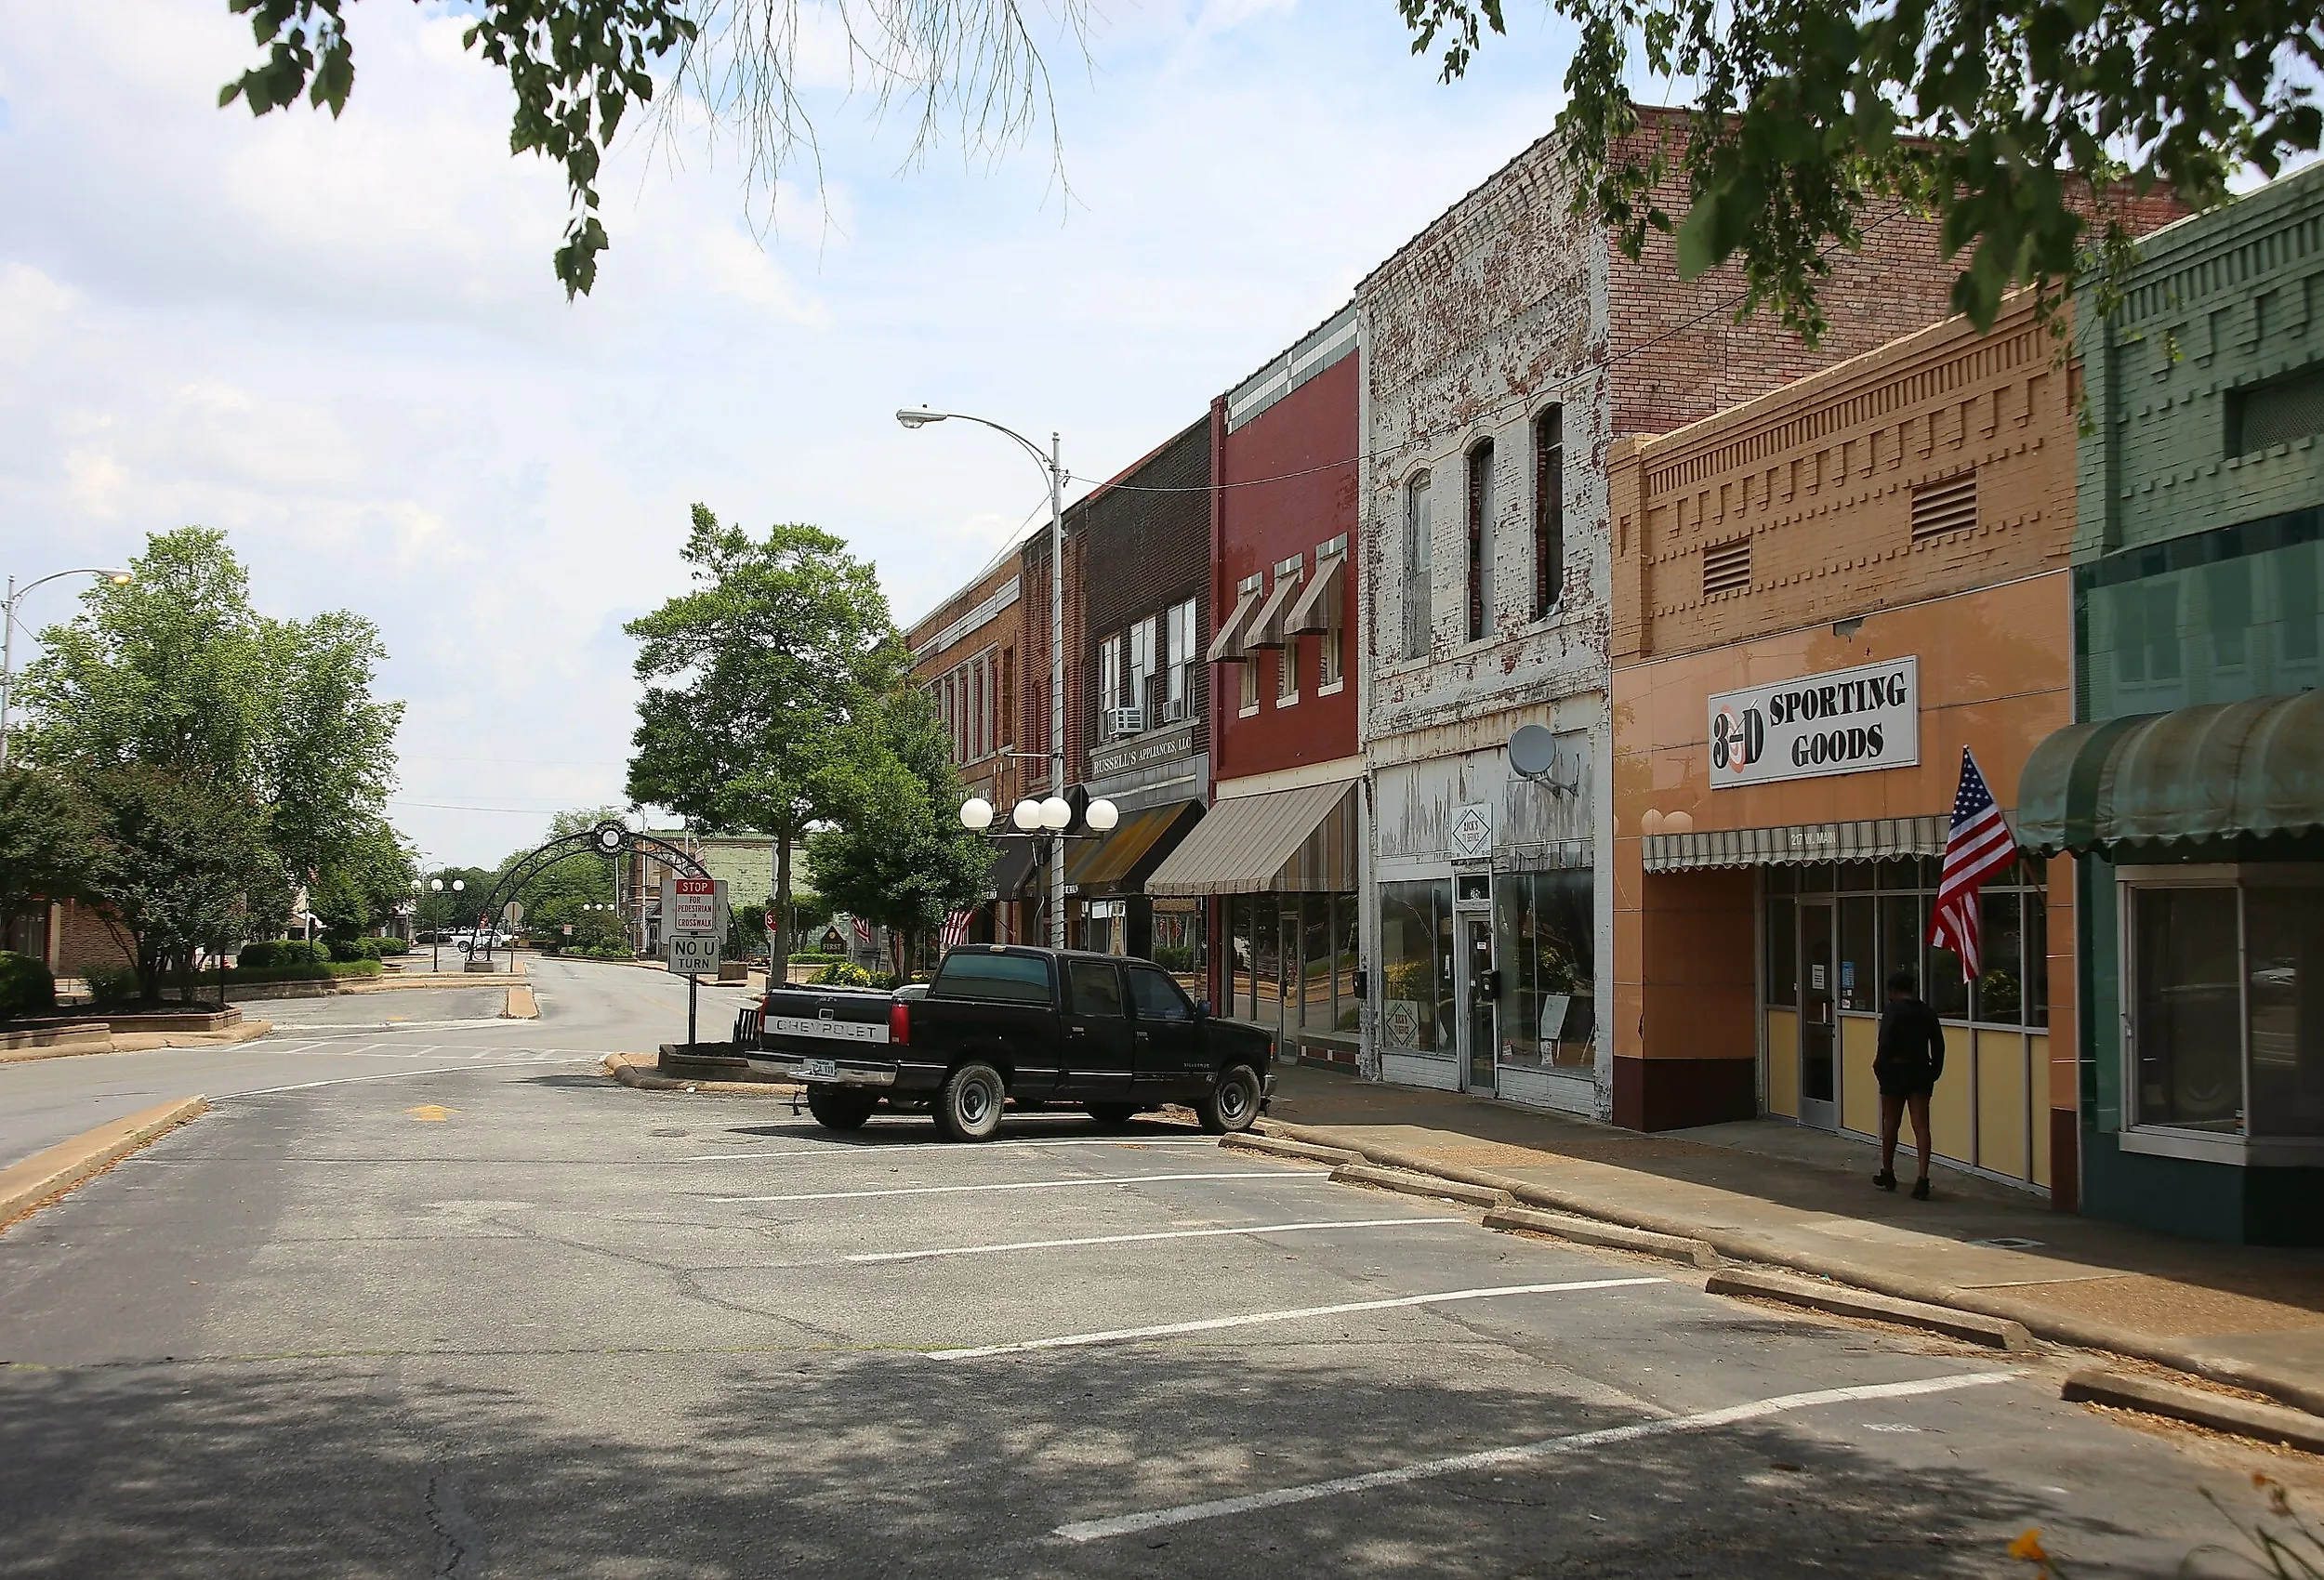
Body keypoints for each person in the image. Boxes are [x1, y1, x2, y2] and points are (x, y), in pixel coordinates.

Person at [1874, 968, 1945, 1200]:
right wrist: (1934, 1070)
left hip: (1896, 1069)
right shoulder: (1927, 1012)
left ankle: (1888, 1171)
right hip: (1921, 1070)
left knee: (1891, 1123)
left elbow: (1885, 1040)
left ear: (1893, 991)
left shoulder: (1893, 1010)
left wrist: (1880, 1067)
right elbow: (1938, 1044)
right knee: (1921, 1125)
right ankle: (1922, 1178)